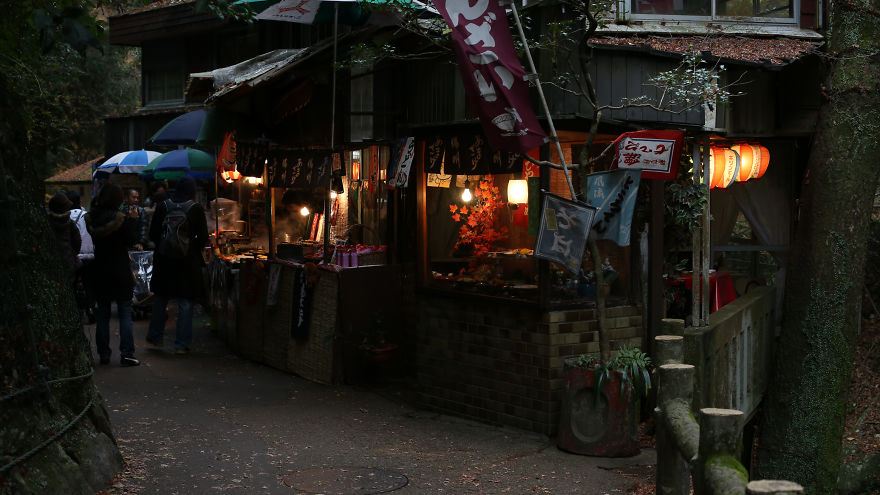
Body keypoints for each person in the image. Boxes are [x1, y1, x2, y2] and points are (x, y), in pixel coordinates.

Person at [147, 176, 209, 355]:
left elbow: (153, 234)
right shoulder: (195, 208)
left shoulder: (163, 206)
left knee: (161, 298)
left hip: (164, 261)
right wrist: (190, 248)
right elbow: (203, 237)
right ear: (192, 190)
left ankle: (156, 337)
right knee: (185, 302)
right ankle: (181, 345)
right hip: (187, 263)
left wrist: (165, 246)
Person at [86, 183, 140, 367]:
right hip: (120, 269)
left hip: (100, 269)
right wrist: (132, 220)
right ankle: (127, 354)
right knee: (125, 311)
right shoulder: (121, 219)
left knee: (103, 313)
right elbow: (131, 240)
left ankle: (103, 354)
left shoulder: (92, 219)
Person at [65, 190, 96, 323]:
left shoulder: (65, 217)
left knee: (71, 285)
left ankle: (73, 313)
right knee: (89, 285)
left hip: (73, 257)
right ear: (80, 202)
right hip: (89, 257)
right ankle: (91, 310)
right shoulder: (88, 216)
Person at [47, 192, 81, 286]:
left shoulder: (47, 221)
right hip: (68, 260)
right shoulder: (70, 223)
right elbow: (77, 241)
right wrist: (73, 254)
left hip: (51, 261)